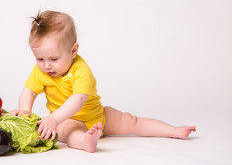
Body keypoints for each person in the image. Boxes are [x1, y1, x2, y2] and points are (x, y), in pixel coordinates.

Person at [10, 10, 196, 153]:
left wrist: (53, 118)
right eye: (40, 59)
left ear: (73, 51)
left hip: (98, 115)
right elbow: (29, 91)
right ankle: (87, 142)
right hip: (68, 120)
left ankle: (173, 131)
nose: (47, 65)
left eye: (53, 59)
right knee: (67, 133)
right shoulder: (41, 71)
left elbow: (79, 99)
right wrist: (25, 109)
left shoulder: (81, 70)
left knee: (132, 121)